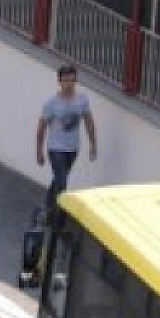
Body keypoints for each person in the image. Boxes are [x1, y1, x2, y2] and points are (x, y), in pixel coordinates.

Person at [35, 64, 97, 213]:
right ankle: (57, 211)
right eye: (65, 80)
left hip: (73, 148)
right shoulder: (51, 104)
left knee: (59, 179)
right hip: (56, 148)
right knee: (62, 180)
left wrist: (93, 143)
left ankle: (48, 206)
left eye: (72, 81)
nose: (69, 84)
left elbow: (89, 121)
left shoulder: (82, 100)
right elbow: (41, 127)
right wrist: (39, 151)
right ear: (59, 81)